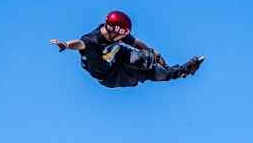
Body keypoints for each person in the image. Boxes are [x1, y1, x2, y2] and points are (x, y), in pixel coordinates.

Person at [50, 10, 204, 89]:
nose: (122, 38)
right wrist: (65, 44)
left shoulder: (118, 34)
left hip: (116, 57)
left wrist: (154, 53)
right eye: (120, 36)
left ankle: (180, 70)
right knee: (144, 71)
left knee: (146, 59)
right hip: (111, 76)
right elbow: (79, 43)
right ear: (113, 31)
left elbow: (136, 42)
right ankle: (177, 73)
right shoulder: (92, 40)